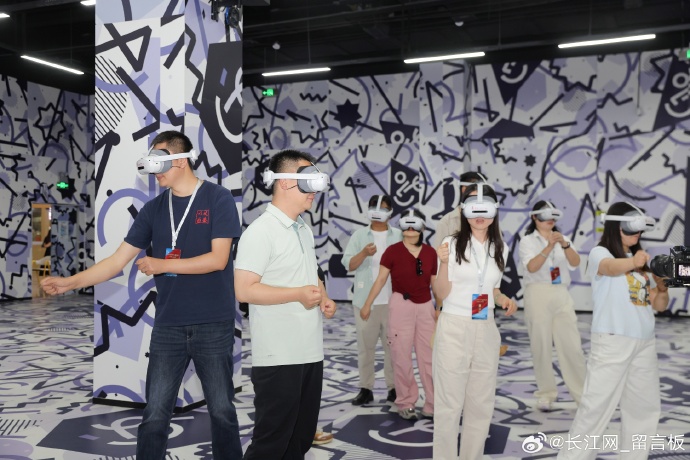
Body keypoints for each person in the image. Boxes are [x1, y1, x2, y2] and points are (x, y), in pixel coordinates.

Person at [41, 131, 242, 459]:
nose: (154, 172)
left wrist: (161, 264)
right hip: (168, 327)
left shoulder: (217, 198)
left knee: (222, 411)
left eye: (158, 163)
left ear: (180, 161)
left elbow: (218, 260)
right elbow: (116, 262)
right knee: (155, 414)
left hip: (213, 325)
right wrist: (70, 282)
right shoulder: (153, 209)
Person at [234, 150, 337, 459]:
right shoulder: (260, 232)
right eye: (308, 181)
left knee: (299, 440)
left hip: (310, 352)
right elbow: (244, 290)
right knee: (271, 444)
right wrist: (297, 294)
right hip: (279, 357)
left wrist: (323, 297)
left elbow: (311, 272)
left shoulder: (303, 229)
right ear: (285, 182)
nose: (315, 190)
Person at [557, 202, 669, 460]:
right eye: (631, 228)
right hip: (613, 341)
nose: (636, 234)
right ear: (615, 226)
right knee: (595, 409)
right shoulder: (600, 253)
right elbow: (609, 268)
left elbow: (659, 305)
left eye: (639, 230)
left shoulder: (640, 263)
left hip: (644, 343)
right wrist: (633, 261)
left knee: (644, 409)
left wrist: (662, 287)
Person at [433, 183, 517, 460]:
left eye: (486, 208)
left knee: (481, 403)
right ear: (463, 211)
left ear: (495, 211)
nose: (480, 215)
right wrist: (443, 263)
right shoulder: (450, 244)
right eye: (473, 208)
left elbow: (491, 288)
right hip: (454, 326)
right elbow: (441, 293)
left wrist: (503, 298)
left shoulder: (500, 247)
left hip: (486, 327)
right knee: (449, 403)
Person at [361, 209, 436, 420]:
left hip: (425, 308)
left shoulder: (431, 253)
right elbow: (380, 280)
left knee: (429, 358)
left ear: (423, 226)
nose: (410, 228)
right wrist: (367, 304)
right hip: (400, 306)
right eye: (406, 224)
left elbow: (435, 283)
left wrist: (440, 307)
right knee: (401, 356)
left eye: (415, 224)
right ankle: (406, 402)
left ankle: (433, 403)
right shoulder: (392, 251)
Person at [518, 200, 585, 412]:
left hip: (561, 292)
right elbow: (532, 266)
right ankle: (546, 393)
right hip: (538, 292)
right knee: (541, 346)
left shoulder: (564, 239)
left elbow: (575, 262)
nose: (550, 220)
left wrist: (564, 244)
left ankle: (582, 395)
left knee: (572, 346)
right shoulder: (527, 241)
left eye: (552, 216)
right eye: (544, 216)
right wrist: (549, 246)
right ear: (534, 217)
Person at [341, 194, 400, 406]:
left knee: (393, 349)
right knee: (365, 349)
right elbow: (348, 264)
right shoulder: (359, 235)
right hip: (365, 302)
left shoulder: (399, 235)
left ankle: (394, 388)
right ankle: (366, 388)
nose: (378, 212)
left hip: (393, 302)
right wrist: (364, 253)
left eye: (383, 208)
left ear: (390, 211)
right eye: (374, 207)